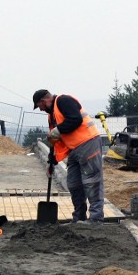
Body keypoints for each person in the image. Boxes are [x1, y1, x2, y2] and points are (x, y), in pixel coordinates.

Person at [32, 89, 104, 223]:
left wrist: (58, 130)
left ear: (43, 101)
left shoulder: (63, 101)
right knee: (74, 184)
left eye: (39, 106)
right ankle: (79, 218)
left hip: (88, 143)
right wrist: (51, 162)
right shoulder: (52, 116)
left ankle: (96, 219)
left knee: (92, 182)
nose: (41, 110)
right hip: (74, 150)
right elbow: (56, 142)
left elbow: (75, 119)